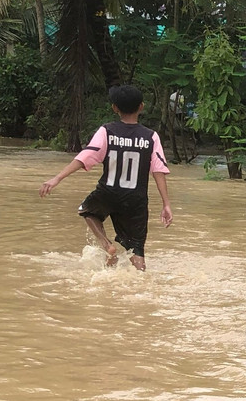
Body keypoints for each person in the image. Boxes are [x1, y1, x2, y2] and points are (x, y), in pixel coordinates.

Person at [39, 84, 173, 270]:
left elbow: (85, 157)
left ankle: (106, 245)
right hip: (136, 199)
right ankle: (141, 284)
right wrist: (166, 204)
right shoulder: (151, 137)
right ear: (141, 107)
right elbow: (159, 170)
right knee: (137, 250)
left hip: (108, 192)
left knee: (87, 210)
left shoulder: (107, 131)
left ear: (114, 108)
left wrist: (57, 178)